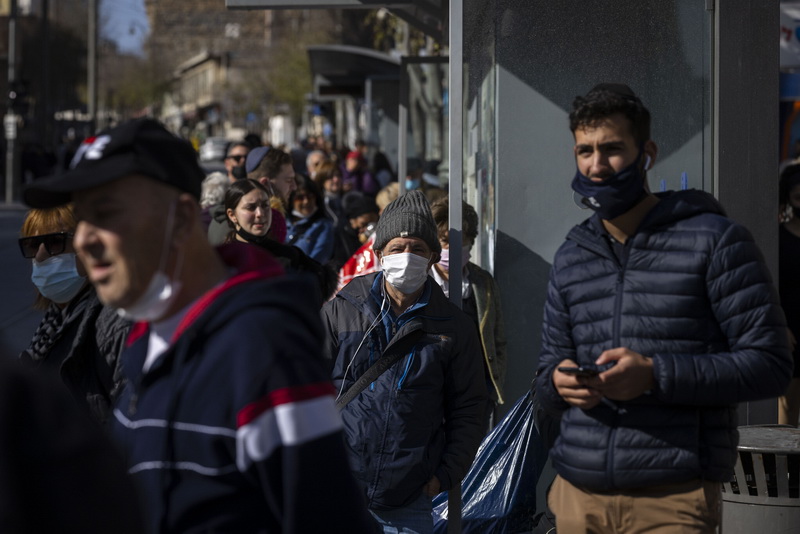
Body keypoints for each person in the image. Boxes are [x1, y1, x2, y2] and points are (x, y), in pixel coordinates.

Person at [22, 118, 376, 533]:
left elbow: (327, 518)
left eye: (107, 214)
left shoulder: (262, 350)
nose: (83, 240)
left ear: (181, 218)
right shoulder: (146, 337)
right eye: (80, 220)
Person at [536, 83, 792, 533]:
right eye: (584, 150)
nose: (596, 165)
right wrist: (560, 385)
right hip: (578, 496)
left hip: (672, 498)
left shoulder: (716, 241)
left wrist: (655, 374)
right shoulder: (571, 256)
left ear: (646, 153)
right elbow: (544, 382)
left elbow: (770, 365)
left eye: (612, 149)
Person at [322, 190, 487, 533]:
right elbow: (304, 387)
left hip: (409, 498)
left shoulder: (453, 326)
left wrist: (445, 475)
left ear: (431, 258)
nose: (407, 257)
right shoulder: (342, 310)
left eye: (417, 249)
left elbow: (469, 406)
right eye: (398, 248)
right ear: (380, 254)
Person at [18, 205, 130, 425]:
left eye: (55, 243)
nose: (40, 256)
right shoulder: (56, 322)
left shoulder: (115, 324)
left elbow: (130, 428)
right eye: (32, 245)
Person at [430, 197, 507, 431]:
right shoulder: (421, 281)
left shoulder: (483, 282)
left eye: (459, 240)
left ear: (470, 241)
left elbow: (498, 336)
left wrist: (491, 388)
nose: (451, 248)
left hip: (475, 391)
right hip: (432, 391)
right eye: (444, 240)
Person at [224, 179, 338, 302]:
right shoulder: (222, 263)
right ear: (232, 215)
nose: (260, 213)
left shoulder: (289, 256)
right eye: (250, 207)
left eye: (265, 205)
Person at [778, 163, 800, 426]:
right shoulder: (778, 238)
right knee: (788, 401)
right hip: (790, 330)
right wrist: (780, 324)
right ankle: (785, 466)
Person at [286, 174, 336, 265]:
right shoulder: (280, 223)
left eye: (310, 196)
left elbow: (318, 260)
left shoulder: (323, 226)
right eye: (300, 198)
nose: (306, 201)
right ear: (290, 200)